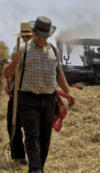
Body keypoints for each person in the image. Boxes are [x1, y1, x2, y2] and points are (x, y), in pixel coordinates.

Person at [4, 16, 75, 173]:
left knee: (45, 138)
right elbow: (6, 73)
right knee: (32, 135)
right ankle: (35, 170)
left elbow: (58, 73)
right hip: (27, 99)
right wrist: (13, 63)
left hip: (49, 99)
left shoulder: (53, 51)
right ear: (34, 32)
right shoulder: (21, 50)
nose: (42, 39)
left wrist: (68, 93)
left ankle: (39, 168)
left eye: (45, 36)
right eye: (39, 35)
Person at [5, 23, 33, 166]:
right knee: (12, 124)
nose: (25, 39)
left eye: (28, 36)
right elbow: (10, 70)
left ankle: (32, 154)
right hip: (17, 92)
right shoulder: (17, 50)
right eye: (23, 36)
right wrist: (8, 83)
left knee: (32, 128)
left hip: (34, 94)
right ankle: (20, 156)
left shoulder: (41, 51)